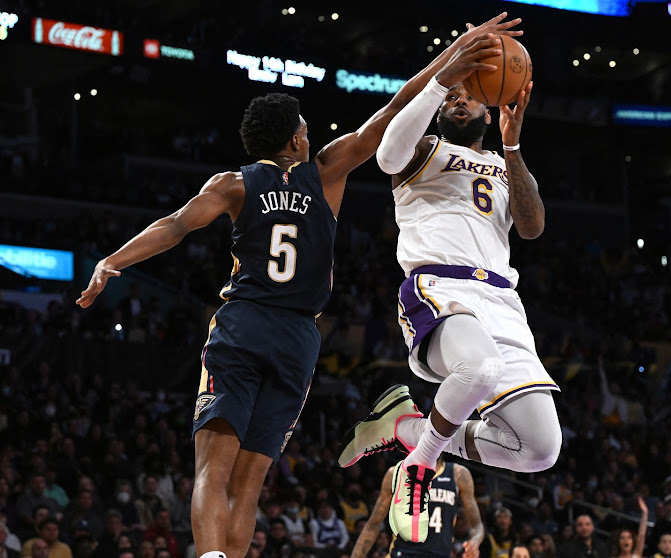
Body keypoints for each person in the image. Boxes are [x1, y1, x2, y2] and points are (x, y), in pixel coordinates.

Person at [75, 12, 522, 558]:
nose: (312, 134)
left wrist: (113, 260)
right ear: (295, 139)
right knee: (250, 481)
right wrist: (447, 64)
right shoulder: (326, 171)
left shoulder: (233, 185)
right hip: (297, 339)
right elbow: (389, 115)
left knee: (211, 470)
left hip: (242, 326)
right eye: (306, 128)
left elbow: (174, 226)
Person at [335, 16, 562, 544]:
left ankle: (407, 427)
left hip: (503, 302)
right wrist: (443, 74)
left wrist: (513, 145)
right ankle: (419, 465)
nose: (459, 100)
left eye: (468, 94)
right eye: (452, 95)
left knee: (539, 450)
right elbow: (387, 152)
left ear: (490, 103)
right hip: (439, 288)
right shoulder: (424, 151)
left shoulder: (506, 165)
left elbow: (531, 227)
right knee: (477, 366)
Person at [350, 455, 484, 558]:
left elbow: (476, 525)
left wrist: (475, 542)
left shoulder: (458, 474)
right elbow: (373, 524)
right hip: (403, 553)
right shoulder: (396, 474)